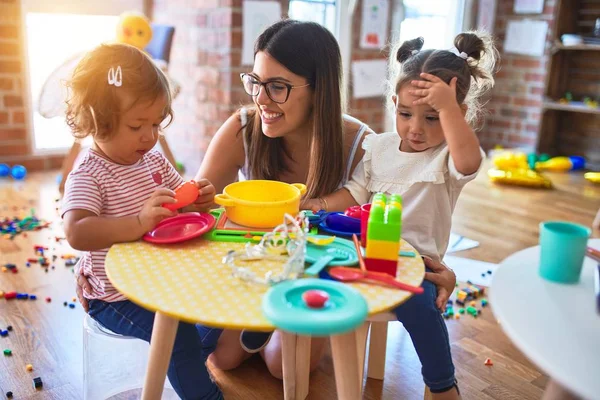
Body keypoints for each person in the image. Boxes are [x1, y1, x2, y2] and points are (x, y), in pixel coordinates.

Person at [304, 32, 498, 398]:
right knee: (311, 263)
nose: (416, 128)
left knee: (422, 307)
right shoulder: (379, 146)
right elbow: (355, 192)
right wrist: (318, 204)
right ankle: (263, 329)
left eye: (432, 117)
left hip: (418, 264)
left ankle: (442, 385)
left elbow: (470, 162)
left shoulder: (448, 158)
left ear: (459, 115)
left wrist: (449, 110)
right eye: (406, 114)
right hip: (365, 251)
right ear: (393, 103)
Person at [61, 43, 221, 400]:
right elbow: (76, 231)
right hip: (115, 297)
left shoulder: (152, 162)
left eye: (156, 123)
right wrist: (137, 222)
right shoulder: (89, 173)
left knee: (213, 302)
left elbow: (182, 202)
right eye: (137, 125)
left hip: (160, 281)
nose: (150, 137)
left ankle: (195, 352)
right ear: (97, 121)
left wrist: (200, 197)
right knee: (177, 334)